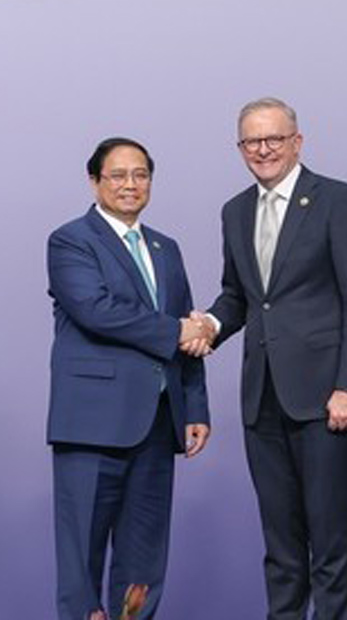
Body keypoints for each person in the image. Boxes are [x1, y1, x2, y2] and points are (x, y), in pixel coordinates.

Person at [192, 98, 347, 619]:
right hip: (263, 401)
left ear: (297, 142)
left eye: (273, 139)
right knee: (280, 548)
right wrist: (207, 325)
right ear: (240, 149)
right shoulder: (235, 211)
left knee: (328, 545)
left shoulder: (337, 201)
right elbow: (240, 297)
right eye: (252, 142)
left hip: (328, 400)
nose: (263, 150)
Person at [47, 137, 215, 620]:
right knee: (80, 561)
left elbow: (186, 330)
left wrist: (196, 406)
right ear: (94, 180)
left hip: (158, 424)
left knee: (143, 559)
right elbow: (97, 311)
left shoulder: (167, 248)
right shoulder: (71, 240)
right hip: (91, 425)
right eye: (118, 175)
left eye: (140, 174)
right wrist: (181, 329)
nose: (129, 184)